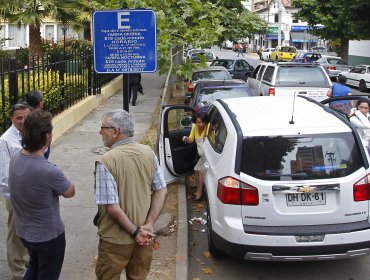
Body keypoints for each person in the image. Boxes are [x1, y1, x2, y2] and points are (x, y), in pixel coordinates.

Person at [94, 109, 167, 280]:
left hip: (115, 241)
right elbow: (161, 189)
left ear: (115, 131)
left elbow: (112, 208)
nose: (100, 131)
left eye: (103, 127)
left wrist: (136, 233)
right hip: (145, 237)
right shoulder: (148, 153)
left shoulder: (106, 161)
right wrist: (148, 225)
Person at [9, 109, 76, 280]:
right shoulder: (49, 171)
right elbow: (70, 191)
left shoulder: (16, 158)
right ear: (47, 136)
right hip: (49, 238)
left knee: (34, 268)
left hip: (25, 233)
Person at [0, 103, 31, 280]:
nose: (23, 120)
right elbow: (4, 176)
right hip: (15, 196)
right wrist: (13, 199)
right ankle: (18, 274)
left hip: (29, 193)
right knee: (15, 236)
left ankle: (26, 261)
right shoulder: (5, 140)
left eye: (25, 116)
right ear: (11, 118)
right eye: (19, 117)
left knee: (27, 231)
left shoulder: (29, 133)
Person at [182, 112, 209, 201]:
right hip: (201, 154)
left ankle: (199, 193)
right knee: (196, 170)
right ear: (195, 122)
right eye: (198, 122)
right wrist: (185, 138)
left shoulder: (208, 127)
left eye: (203, 122)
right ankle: (199, 190)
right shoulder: (194, 127)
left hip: (208, 155)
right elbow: (191, 140)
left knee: (200, 171)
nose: (201, 124)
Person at [25, 89, 50, 159]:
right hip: (41, 150)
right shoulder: (43, 117)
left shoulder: (26, 116)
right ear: (40, 103)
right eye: (42, 100)